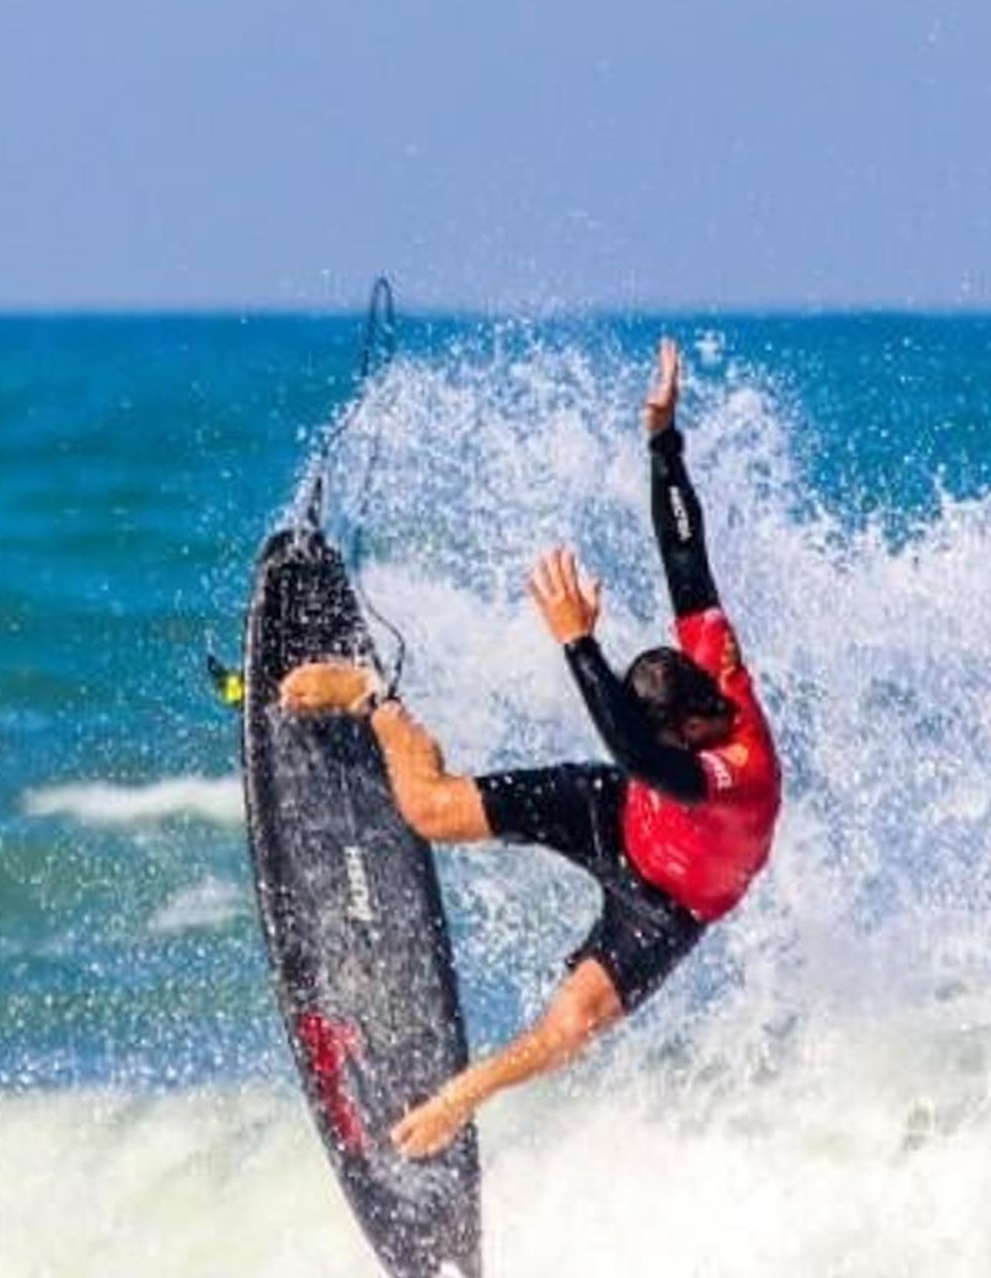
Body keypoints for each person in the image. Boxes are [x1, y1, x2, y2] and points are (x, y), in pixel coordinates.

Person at [280, 337, 782, 1159]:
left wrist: (576, 644)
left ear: (693, 729)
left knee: (571, 1027)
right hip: (617, 813)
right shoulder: (704, 661)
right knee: (426, 810)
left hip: (669, 906)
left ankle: (458, 1100)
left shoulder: (735, 772)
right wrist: (663, 439)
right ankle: (373, 695)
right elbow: (685, 552)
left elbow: (641, 755)